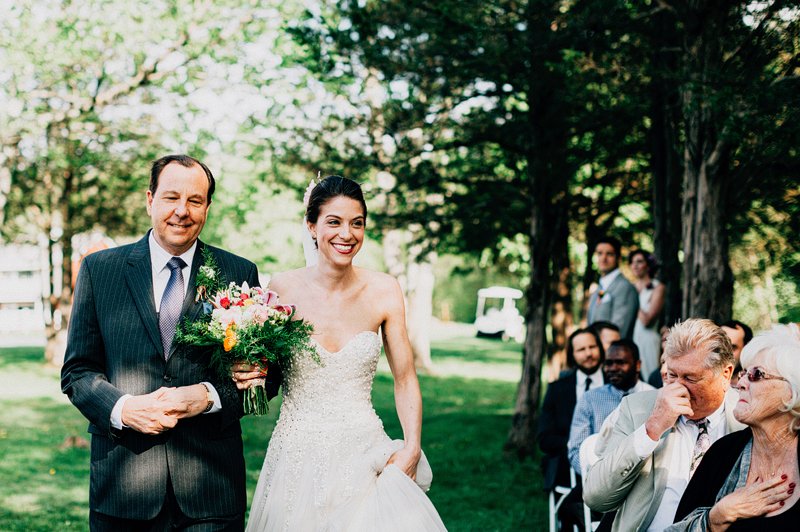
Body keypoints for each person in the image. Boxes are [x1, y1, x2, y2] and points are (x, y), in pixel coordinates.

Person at [61, 155, 279, 531]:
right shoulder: (100, 271)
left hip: (209, 491)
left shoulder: (238, 273)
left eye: (195, 201)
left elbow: (265, 374)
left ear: (207, 207)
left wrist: (207, 397)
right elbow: (77, 372)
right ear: (150, 199)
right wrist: (124, 409)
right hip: (123, 486)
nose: (182, 211)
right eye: (171, 197)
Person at [237, 176, 445, 531]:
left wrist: (412, 447)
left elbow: (405, 377)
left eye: (357, 223)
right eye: (333, 222)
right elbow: (262, 367)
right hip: (296, 455)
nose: (346, 234)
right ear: (312, 226)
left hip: (364, 452)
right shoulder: (281, 288)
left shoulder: (384, 290)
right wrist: (246, 367)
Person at [583, 318, 745, 532]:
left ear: (726, 374)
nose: (677, 387)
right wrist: (651, 429)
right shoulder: (638, 408)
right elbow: (596, 497)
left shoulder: (745, 416)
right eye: (672, 375)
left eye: (690, 378)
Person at [669, 324, 800, 531]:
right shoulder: (723, 452)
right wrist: (717, 517)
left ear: (792, 392)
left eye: (757, 374)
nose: (741, 384)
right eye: (744, 373)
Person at [567, 339, 655, 476]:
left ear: (637, 365)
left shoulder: (654, 398)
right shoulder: (590, 399)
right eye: (608, 363)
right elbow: (576, 451)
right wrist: (595, 477)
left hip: (644, 477)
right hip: (597, 478)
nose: (613, 368)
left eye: (621, 362)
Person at [538, 328, 605, 493]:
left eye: (592, 347)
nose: (588, 353)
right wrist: (580, 449)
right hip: (568, 466)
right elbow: (544, 438)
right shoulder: (557, 389)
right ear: (572, 355)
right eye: (581, 349)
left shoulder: (615, 384)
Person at [587, 236, 639, 339]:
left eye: (609, 254)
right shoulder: (598, 288)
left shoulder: (625, 287)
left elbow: (619, 330)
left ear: (618, 258)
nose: (603, 258)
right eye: (600, 253)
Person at [629, 249, 665, 379]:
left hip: (648, 339)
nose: (635, 265)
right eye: (632, 262)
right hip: (631, 337)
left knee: (649, 375)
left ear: (648, 265)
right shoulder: (629, 287)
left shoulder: (657, 287)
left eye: (639, 261)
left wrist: (634, 298)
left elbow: (647, 320)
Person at [721, 319, 753, 387]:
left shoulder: (751, 389)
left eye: (732, 348)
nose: (725, 352)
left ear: (745, 350)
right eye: (720, 346)